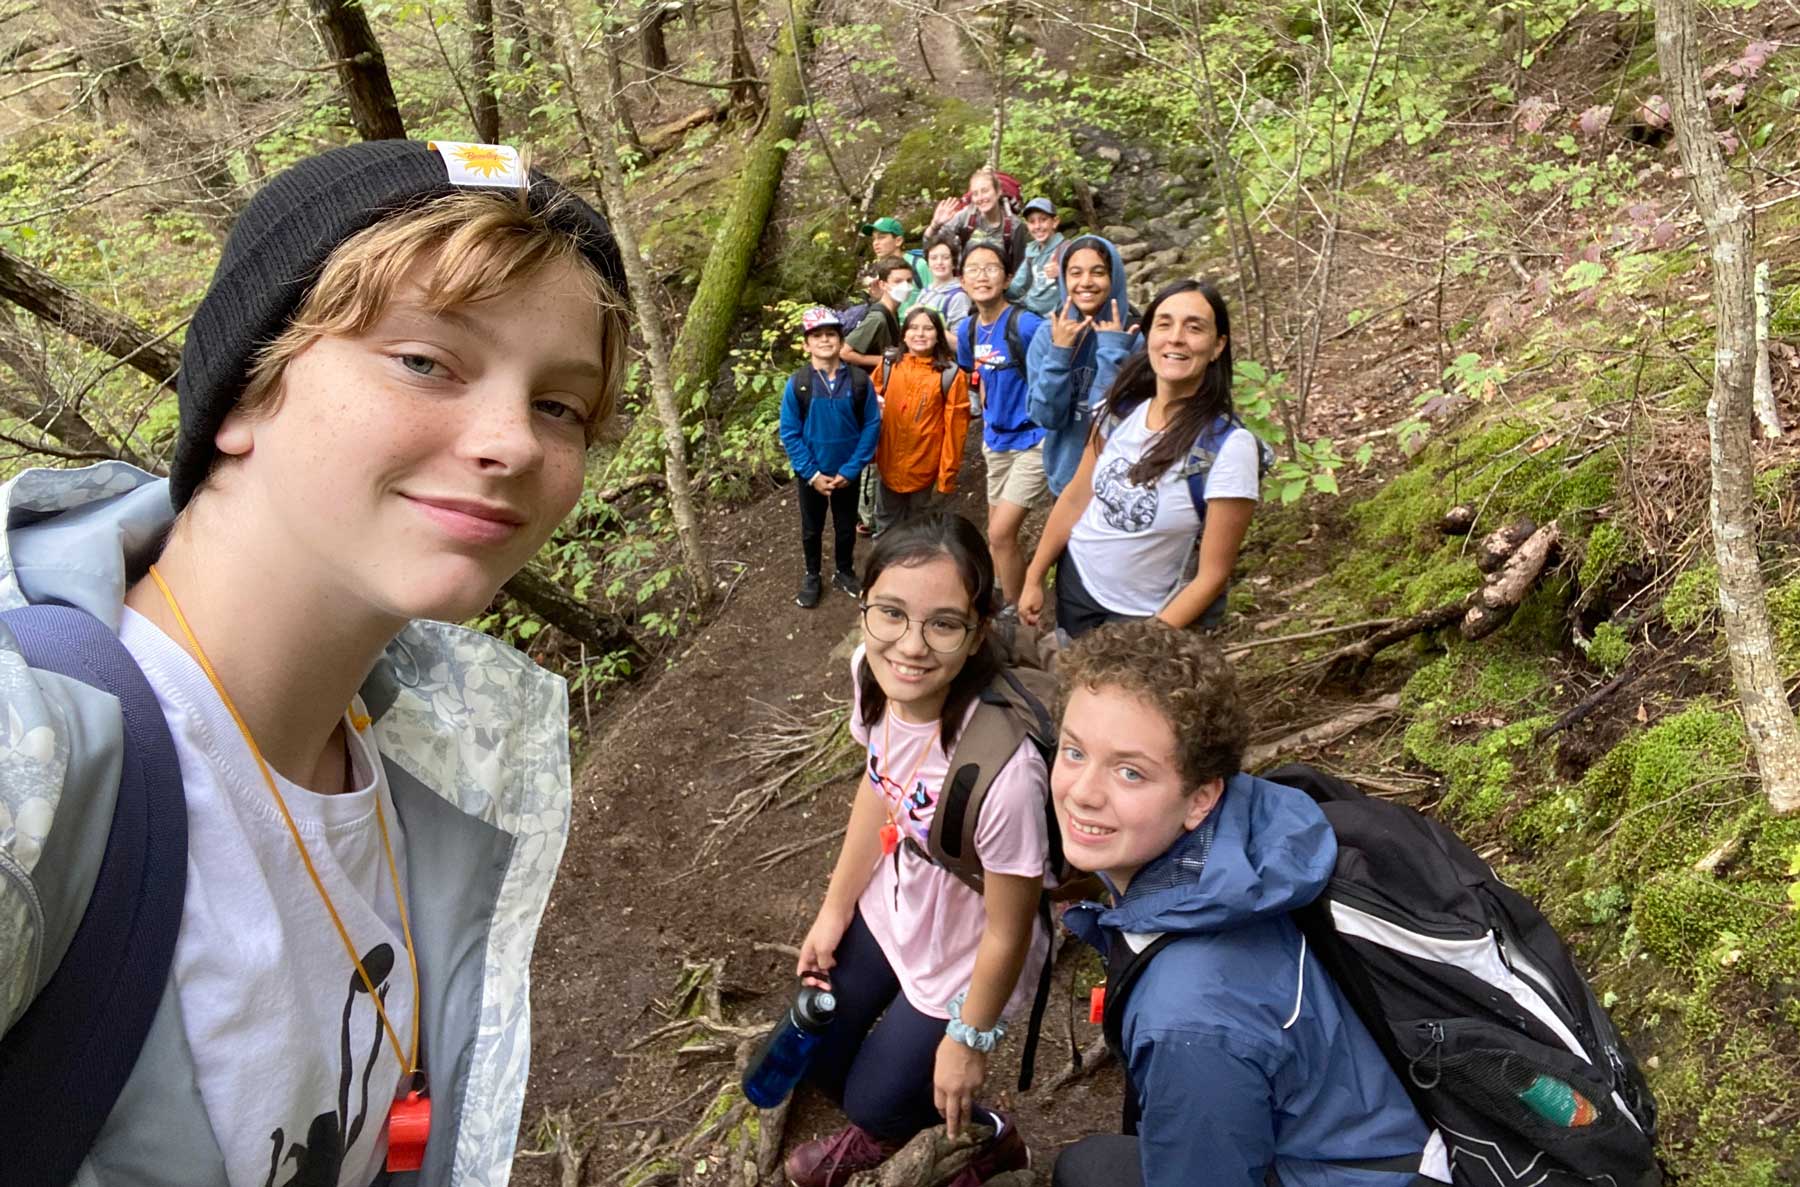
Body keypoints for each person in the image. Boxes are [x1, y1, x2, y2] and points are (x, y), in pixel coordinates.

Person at [0, 139, 630, 1185]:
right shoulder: (35, 758)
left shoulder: (427, 774)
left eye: (558, 405)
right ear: (246, 393)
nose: (513, 441)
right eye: (427, 361)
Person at [1048, 623, 1445, 1187]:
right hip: (1377, 1129)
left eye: (1130, 771)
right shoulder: (1254, 843)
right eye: (1074, 751)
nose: (1083, 790)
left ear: (1201, 797)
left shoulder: (1189, 1017)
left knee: (1086, 1172)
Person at [785, 513, 1046, 1187]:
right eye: (892, 614)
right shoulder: (872, 678)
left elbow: (1010, 929)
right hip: (900, 898)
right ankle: (908, 1113)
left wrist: (970, 1038)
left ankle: (984, 1140)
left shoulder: (1004, 774)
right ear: (866, 608)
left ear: (977, 631)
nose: (911, 645)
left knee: (875, 1098)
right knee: (812, 1040)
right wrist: (834, 909)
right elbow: (881, 786)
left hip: (971, 944)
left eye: (944, 623)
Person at [1018, 280, 1261, 639]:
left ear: (1217, 346)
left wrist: (1146, 643)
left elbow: (1212, 575)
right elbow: (1075, 496)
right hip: (1076, 584)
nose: (1176, 337)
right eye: (1164, 324)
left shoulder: (1227, 446)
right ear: (1148, 337)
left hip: (1145, 618)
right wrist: (1035, 575)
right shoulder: (1119, 408)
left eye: (1194, 327)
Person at [955, 241, 1047, 609]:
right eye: (973, 269)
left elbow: (1057, 367)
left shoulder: (1026, 324)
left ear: (1008, 277)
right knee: (1000, 539)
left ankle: (1015, 616)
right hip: (995, 441)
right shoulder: (969, 330)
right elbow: (970, 374)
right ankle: (1009, 603)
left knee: (999, 533)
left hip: (1034, 439)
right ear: (962, 281)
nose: (982, 275)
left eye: (991, 267)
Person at [779, 306, 882, 607]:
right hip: (811, 473)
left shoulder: (860, 382)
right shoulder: (798, 384)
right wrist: (810, 473)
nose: (825, 340)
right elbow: (790, 432)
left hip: (846, 472)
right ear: (806, 344)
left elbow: (871, 427)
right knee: (811, 527)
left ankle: (844, 570)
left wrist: (851, 469)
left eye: (831, 334)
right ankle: (812, 574)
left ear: (840, 339)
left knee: (846, 524)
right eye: (817, 336)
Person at [1025, 235, 1136, 498]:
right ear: (1064, 279)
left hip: (1118, 483)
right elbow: (1045, 416)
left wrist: (1112, 351)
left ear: (1114, 278)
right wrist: (1060, 352)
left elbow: (1110, 423)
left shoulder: (1134, 338)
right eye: (1075, 273)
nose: (1085, 282)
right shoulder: (1047, 335)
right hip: (1065, 480)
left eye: (1098, 272)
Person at [871, 308, 972, 534]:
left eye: (928, 328)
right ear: (904, 334)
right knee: (885, 527)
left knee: (921, 532)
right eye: (914, 328)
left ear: (939, 335)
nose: (920, 334)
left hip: (926, 467)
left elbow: (956, 431)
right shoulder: (888, 366)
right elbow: (868, 408)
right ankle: (883, 568)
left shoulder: (949, 375)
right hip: (888, 465)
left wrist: (946, 477)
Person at [928, 169, 1027, 276]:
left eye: (985, 191)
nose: (980, 198)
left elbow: (1019, 270)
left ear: (998, 192)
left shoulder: (1014, 226)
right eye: (975, 194)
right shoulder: (966, 217)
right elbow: (930, 246)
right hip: (966, 286)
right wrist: (935, 225)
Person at [841, 257, 914, 372]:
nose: (905, 286)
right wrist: (886, 361)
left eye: (908, 281)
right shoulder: (878, 318)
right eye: (898, 281)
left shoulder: (892, 312)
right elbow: (844, 352)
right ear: (883, 284)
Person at [1005, 197, 1066, 316]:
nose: (1037, 226)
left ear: (1055, 222)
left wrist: (1061, 274)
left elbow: (1079, 282)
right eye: (1032, 222)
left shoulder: (1066, 249)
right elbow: (1018, 284)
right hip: (1031, 309)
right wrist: (1000, 291)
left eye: (1043, 220)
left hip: (1053, 316)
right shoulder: (1031, 252)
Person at [861, 215, 931, 305]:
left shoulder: (918, 265)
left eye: (881, 237)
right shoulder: (880, 268)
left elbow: (935, 296)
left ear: (898, 241)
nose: (875, 243)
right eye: (874, 239)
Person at [914, 233, 972, 334]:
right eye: (933, 258)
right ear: (928, 263)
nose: (939, 262)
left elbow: (960, 342)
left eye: (945, 258)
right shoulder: (925, 292)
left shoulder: (959, 296)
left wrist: (929, 325)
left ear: (954, 263)